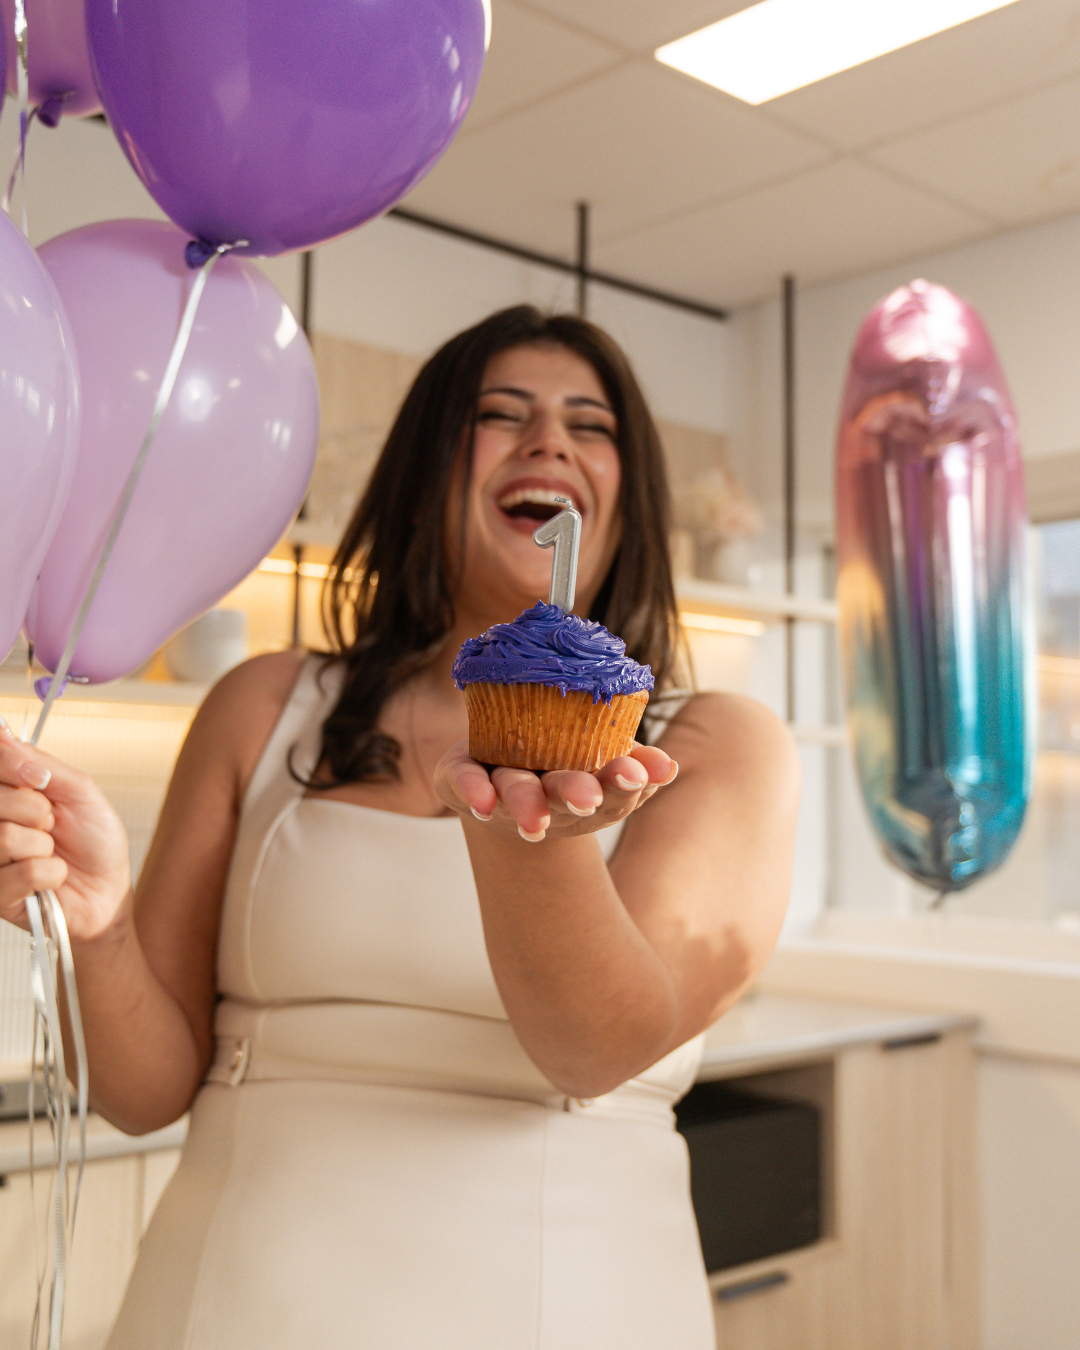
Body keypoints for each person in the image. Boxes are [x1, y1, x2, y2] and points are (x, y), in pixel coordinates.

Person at [0, 306, 799, 1349]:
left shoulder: (717, 744)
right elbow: (144, 1094)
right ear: (430, 471)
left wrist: (535, 836)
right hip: (235, 1297)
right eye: (499, 413)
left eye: (587, 425)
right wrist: (97, 928)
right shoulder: (267, 704)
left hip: (565, 1304)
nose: (548, 440)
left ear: (624, 498)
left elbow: (592, 1050)